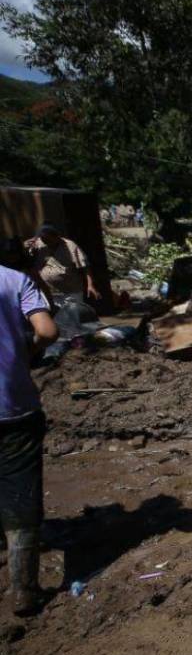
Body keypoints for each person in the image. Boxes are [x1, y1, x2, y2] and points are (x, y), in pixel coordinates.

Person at [0, 252, 58, 616]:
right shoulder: (13, 280)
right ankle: (22, 589)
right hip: (13, 406)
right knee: (20, 490)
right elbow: (47, 331)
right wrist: (26, 354)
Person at [25, 224, 99, 306]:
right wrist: (25, 246)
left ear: (56, 236)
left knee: (74, 312)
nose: (44, 240)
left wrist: (90, 285)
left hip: (71, 292)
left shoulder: (70, 246)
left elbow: (84, 266)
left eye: (47, 238)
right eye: (42, 238)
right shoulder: (38, 244)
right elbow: (26, 261)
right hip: (49, 293)